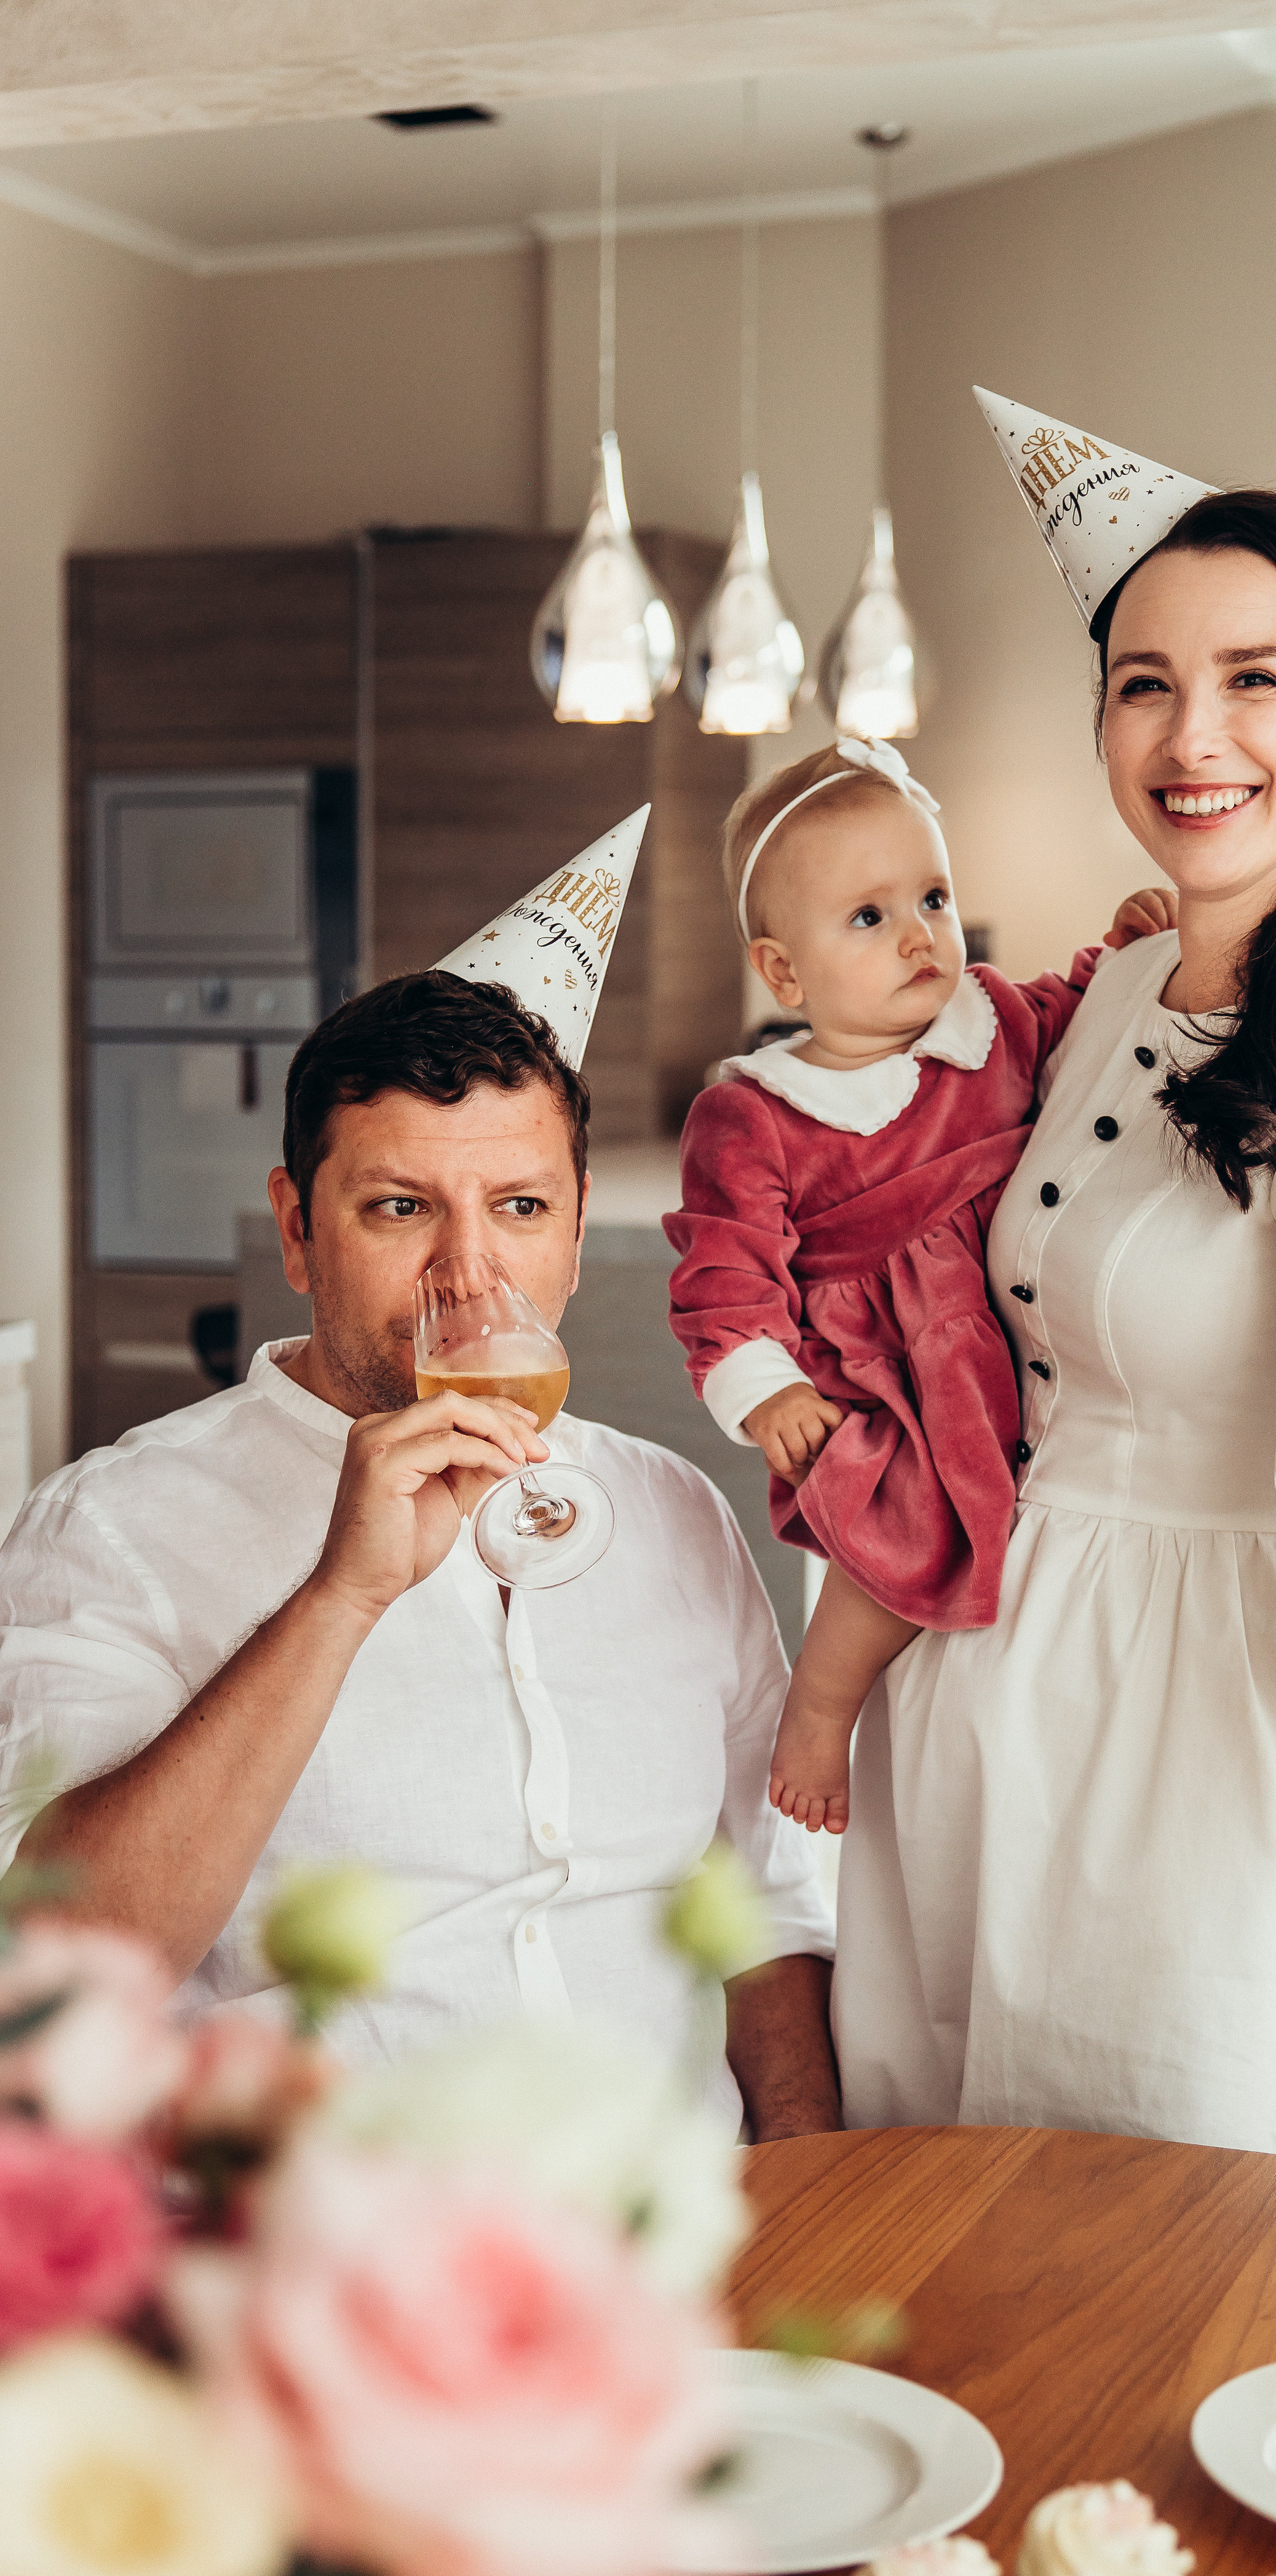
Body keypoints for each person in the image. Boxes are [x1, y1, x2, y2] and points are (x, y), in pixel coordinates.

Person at [829, 391, 1276, 2173]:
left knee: (1154, 2238)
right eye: (1142, 683)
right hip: (977, 1702)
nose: (1190, 733)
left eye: (1253, 679)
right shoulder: (1122, 990)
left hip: (1196, 1746)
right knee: (924, 2221)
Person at [0, 879, 839, 2138]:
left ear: (573, 1233)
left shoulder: (673, 1513)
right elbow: (52, 1981)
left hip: (684, 2230)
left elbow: (769, 1914)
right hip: (331, 2242)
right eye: (401, 1208)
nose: (470, 1272)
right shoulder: (112, 1531)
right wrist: (340, 1602)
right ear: (299, 1231)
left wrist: (816, 2192)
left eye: (520, 1208)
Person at [665, 735, 1156, 1836]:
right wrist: (766, 1387)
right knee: (903, 1514)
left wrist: (1124, 954)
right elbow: (725, 1262)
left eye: (933, 896)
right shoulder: (756, 1111)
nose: (918, 934)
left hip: (1007, 1324)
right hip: (884, 1363)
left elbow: (1080, 1015)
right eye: (868, 916)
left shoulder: (993, 1024)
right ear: (783, 973)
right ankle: (821, 1706)